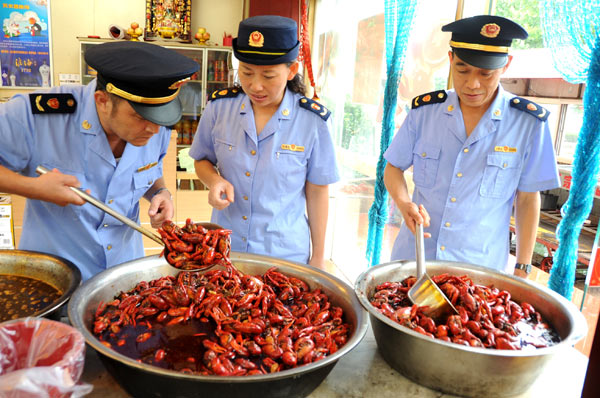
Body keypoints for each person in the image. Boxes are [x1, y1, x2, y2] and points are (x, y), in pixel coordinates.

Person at [0, 41, 199, 280]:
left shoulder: (155, 124)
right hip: (54, 278)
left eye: (160, 117)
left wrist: (161, 193)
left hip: (125, 275)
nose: (154, 130)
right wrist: (33, 188)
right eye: (139, 116)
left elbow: (149, 168)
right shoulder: (39, 115)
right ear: (102, 101)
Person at [383, 15, 560, 278]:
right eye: (463, 69)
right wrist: (403, 201)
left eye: (485, 73)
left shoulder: (529, 123)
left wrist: (522, 267)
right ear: (451, 59)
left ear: (506, 65)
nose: (472, 84)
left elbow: (527, 198)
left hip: (479, 268)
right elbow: (393, 168)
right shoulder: (425, 112)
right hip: (415, 258)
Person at [189, 15, 339, 269]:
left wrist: (318, 257)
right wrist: (214, 181)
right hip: (226, 250)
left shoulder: (314, 121)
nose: (255, 86)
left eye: (268, 76)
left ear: (291, 70)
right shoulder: (219, 109)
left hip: (283, 255)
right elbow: (201, 159)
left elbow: (317, 192)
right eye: (246, 73)